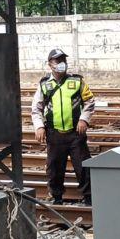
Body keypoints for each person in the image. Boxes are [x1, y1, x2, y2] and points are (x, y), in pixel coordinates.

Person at [31, 48, 95, 205]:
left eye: (63, 61)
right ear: (50, 64)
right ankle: (57, 197)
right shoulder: (44, 85)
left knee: (83, 167)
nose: (61, 64)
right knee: (54, 168)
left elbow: (90, 101)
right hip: (54, 135)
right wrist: (39, 127)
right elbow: (36, 109)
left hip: (76, 134)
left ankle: (89, 198)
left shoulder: (77, 82)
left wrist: (84, 120)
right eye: (57, 61)